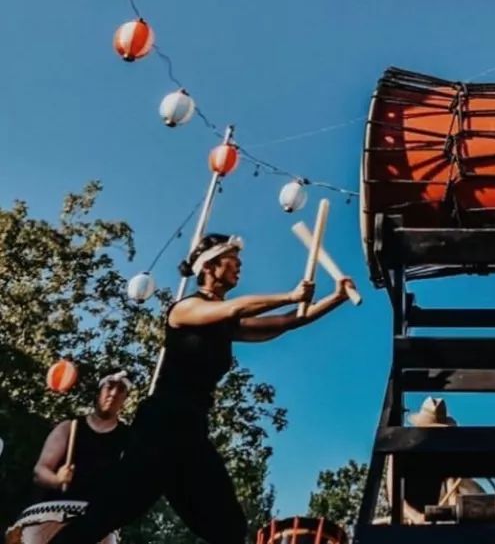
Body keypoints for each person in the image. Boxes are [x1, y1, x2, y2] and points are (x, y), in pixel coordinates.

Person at [49, 233, 356, 544]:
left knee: (228, 528)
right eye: (233, 261)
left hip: (191, 430)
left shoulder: (225, 323)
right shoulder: (184, 310)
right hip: (160, 425)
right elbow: (237, 309)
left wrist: (337, 297)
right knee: (109, 513)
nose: (239, 268)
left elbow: (286, 323)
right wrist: (290, 295)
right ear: (209, 267)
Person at [32, 370, 132, 501]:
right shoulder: (69, 427)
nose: (113, 394)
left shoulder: (128, 439)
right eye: (109, 387)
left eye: (121, 390)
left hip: (98, 514)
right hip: (55, 509)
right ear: (98, 392)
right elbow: (40, 470)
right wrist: (57, 480)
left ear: (125, 399)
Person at [388, 398, 487, 525]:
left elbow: (453, 487)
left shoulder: (444, 455)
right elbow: (394, 497)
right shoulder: (400, 452)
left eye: (438, 432)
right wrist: (416, 517)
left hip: (433, 522)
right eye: (431, 430)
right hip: (406, 523)